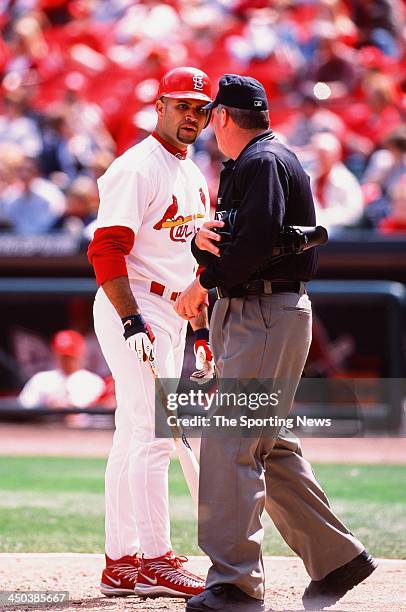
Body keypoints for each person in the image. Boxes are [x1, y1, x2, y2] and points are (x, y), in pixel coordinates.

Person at [175, 74, 377, 612]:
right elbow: (236, 239)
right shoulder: (258, 160)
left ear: (221, 116)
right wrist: (202, 247)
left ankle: (235, 584)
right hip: (258, 311)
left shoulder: (264, 162)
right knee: (269, 444)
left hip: (263, 310)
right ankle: (338, 560)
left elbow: (255, 244)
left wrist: (203, 280)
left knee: (229, 442)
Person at [87, 66, 214, 600]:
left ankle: (122, 562)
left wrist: (202, 332)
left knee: (132, 436)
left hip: (172, 309)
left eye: (200, 107)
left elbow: (191, 266)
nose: (192, 115)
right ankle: (157, 560)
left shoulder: (192, 171)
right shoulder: (138, 166)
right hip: (136, 307)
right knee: (157, 435)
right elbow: (105, 249)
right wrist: (131, 318)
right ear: (159, 106)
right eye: (181, 104)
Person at [19, 330, 105, 417]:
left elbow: (77, 408)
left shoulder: (93, 381)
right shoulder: (41, 379)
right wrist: (47, 405)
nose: (66, 360)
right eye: (63, 356)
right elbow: (23, 406)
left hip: (82, 429)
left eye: (70, 356)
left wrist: (58, 404)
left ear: (81, 354)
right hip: (45, 427)